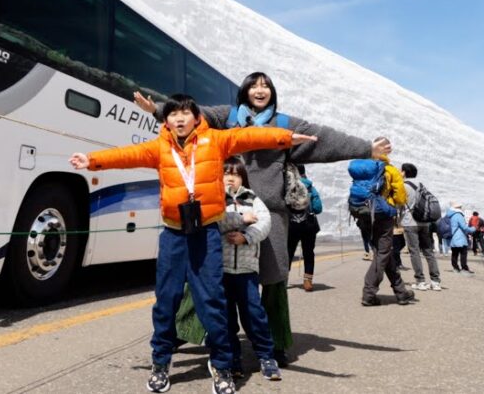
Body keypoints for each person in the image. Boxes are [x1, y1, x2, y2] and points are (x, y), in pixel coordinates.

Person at [135, 72, 388, 365]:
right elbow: (191, 115)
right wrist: (157, 110)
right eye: (254, 85)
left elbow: (324, 139)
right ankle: (188, 329)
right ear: (244, 91)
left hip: (271, 214)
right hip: (223, 208)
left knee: (273, 279)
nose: (260, 89)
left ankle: (275, 342)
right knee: (206, 272)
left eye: (265, 85)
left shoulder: (283, 125)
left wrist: (366, 149)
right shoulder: (225, 117)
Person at [70, 93, 317, 393]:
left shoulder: (216, 140)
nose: (180, 118)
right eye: (173, 114)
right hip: (173, 234)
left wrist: (285, 137)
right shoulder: (158, 148)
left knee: (212, 300)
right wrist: (92, 161)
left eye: (186, 113)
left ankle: (222, 365)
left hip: (207, 235)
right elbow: (126, 155)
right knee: (166, 301)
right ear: (167, 119)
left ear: (196, 117)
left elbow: (250, 136)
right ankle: (160, 362)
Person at [220, 159, 282, 381]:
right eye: (226, 173)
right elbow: (214, 221)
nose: (230, 177)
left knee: (254, 315)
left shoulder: (252, 198)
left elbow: (264, 223)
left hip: (247, 269)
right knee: (226, 319)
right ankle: (233, 360)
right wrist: (240, 219)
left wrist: (245, 237)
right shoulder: (216, 199)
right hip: (222, 270)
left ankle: (266, 357)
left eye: (236, 174)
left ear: (243, 178)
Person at [354, 151, 414, 306]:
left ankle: (401, 292)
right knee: (383, 253)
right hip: (382, 216)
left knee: (384, 254)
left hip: (364, 215)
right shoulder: (390, 169)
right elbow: (401, 198)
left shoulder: (364, 169)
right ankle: (369, 294)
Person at [401, 163, 443, 291]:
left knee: (414, 252)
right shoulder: (422, 186)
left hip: (410, 222)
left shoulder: (403, 187)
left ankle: (420, 281)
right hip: (425, 223)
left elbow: (399, 205)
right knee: (428, 252)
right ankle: (435, 281)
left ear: (404, 172)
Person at [287, 165, 323, 292]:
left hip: (291, 225)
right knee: (308, 252)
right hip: (308, 225)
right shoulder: (311, 188)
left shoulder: (289, 187)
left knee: (289, 252)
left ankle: (284, 279)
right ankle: (308, 281)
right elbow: (318, 208)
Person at [444, 203, 475, 274]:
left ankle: (455, 268)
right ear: (458, 208)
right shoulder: (458, 215)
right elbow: (464, 227)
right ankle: (464, 268)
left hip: (452, 237)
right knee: (463, 253)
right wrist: (473, 229)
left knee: (454, 253)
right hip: (459, 237)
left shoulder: (449, 215)